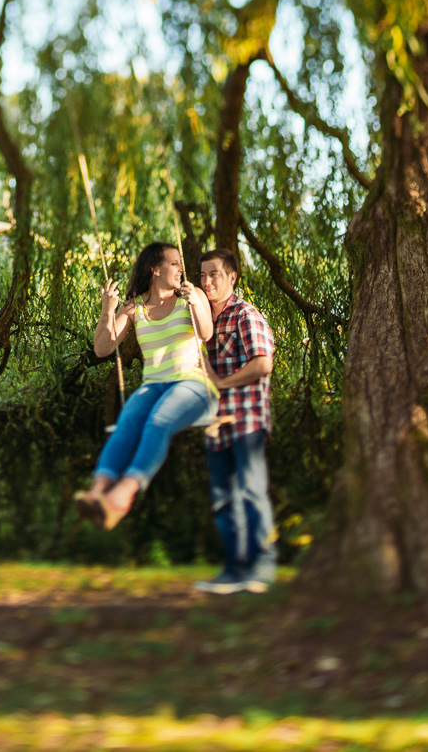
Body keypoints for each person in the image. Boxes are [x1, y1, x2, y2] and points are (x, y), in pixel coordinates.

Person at [75, 241, 218, 531]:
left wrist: (194, 303)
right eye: (174, 263)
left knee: (159, 420)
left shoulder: (192, 295)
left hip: (193, 384)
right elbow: (103, 348)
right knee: (127, 422)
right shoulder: (135, 307)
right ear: (155, 269)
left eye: (181, 263)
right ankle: (97, 492)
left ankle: (121, 497)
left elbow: (206, 333)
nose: (182, 269)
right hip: (153, 386)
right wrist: (107, 309)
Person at [193, 247, 278, 595]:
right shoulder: (200, 322)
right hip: (216, 421)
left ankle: (262, 567)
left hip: (245, 416)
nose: (207, 281)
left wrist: (221, 383)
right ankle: (234, 569)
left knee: (251, 491)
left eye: (215, 274)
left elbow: (263, 364)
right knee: (223, 497)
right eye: (202, 275)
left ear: (232, 277)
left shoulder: (245, 314)